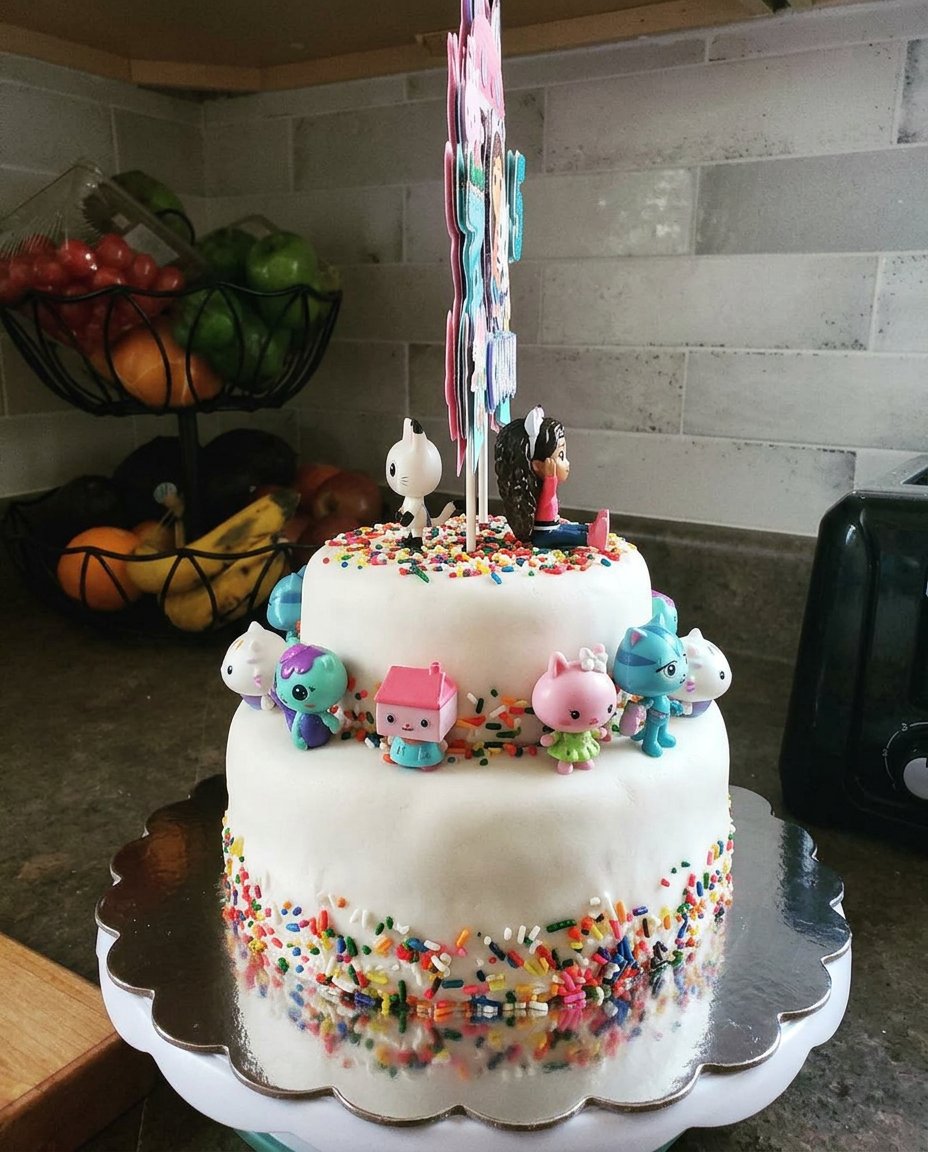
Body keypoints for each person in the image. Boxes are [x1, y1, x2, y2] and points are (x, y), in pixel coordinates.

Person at [494, 406, 609, 550]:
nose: (567, 463)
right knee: (567, 535)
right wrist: (550, 478)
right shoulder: (546, 488)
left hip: (552, 526)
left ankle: (590, 528)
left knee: (569, 528)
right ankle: (591, 538)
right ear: (538, 465)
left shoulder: (536, 489)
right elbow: (548, 498)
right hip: (545, 535)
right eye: (561, 456)